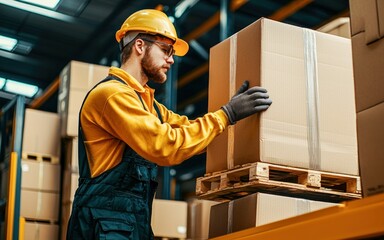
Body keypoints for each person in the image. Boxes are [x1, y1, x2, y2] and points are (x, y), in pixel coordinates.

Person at [66, 9, 272, 239]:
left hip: (129, 224)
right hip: (103, 226)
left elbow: (187, 131)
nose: (171, 59)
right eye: (165, 50)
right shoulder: (112, 95)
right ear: (140, 46)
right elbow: (167, 146)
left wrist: (230, 118)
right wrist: (226, 114)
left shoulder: (149, 105)